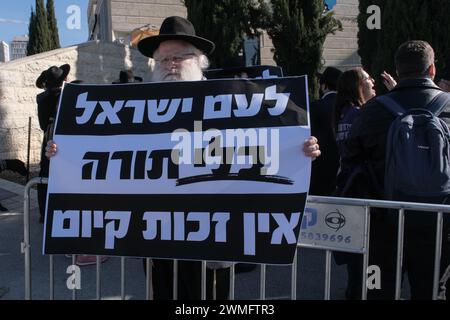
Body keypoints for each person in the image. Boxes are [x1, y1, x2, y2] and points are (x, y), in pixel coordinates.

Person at [46, 16, 322, 299]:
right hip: (156, 237)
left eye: (180, 57)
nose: (171, 64)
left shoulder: (233, 102)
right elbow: (101, 154)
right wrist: (63, 154)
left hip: (215, 237)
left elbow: (271, 145)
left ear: (199, 60)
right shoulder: (137, 107)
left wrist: (300, 150)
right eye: (164, 59)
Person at [340, 40, 450, 300]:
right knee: (433, 291)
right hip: (440, 226)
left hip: (383, 226)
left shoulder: (372, 111)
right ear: (432, 70)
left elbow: (350, 164)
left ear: (397, 72)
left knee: (377, 290)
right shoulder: (447, 108)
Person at [309, 66, 342, 196]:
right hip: (343, 177)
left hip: (317, 174)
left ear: (323, 86)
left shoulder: (313, 108)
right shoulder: (351, 109)